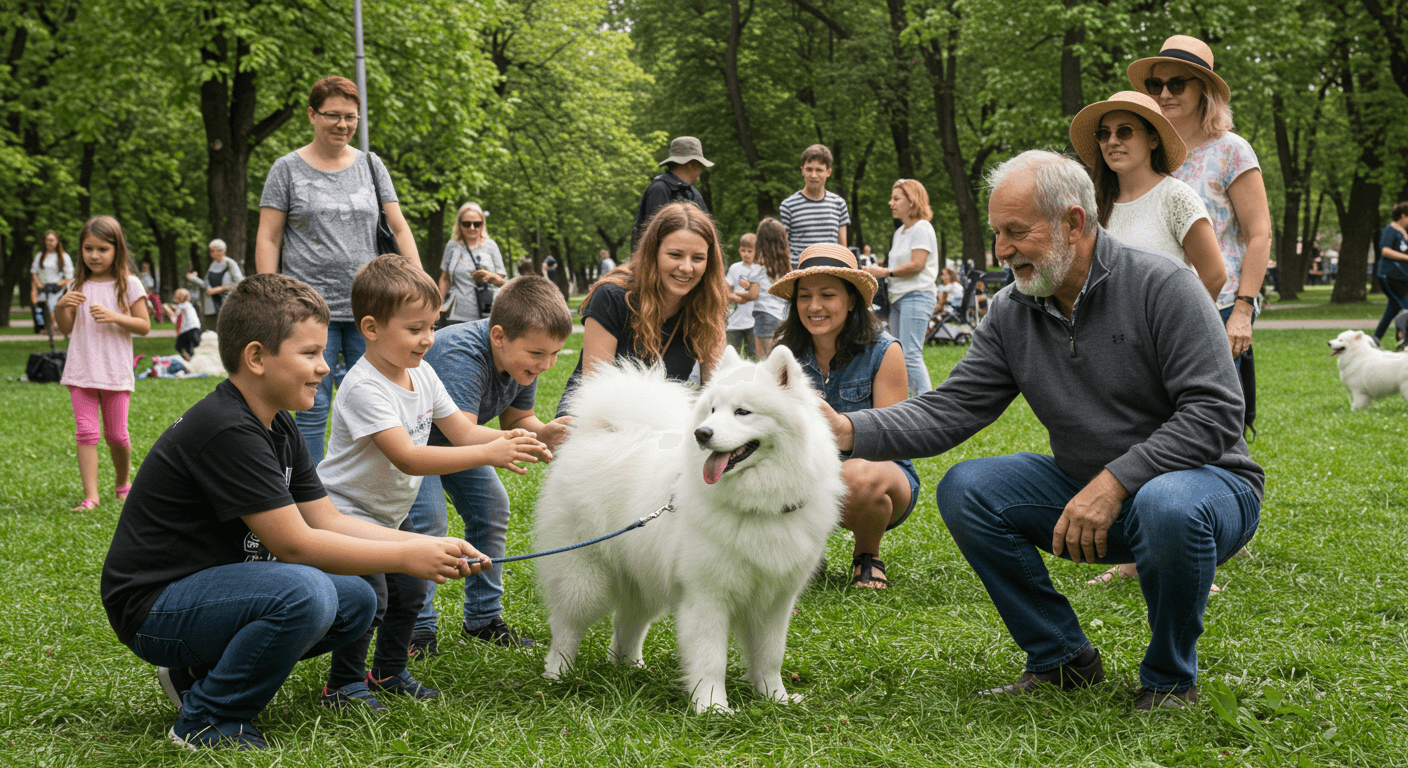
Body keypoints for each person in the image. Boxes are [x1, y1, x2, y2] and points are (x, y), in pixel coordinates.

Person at [823, 151, 1262, 710]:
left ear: (1074, 223)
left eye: (1016, 232)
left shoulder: (1163, 285)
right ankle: (1060, 659)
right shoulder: (1012, 310)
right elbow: (952, 408)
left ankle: (1170, 677)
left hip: (1207, 488)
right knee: (968, 489)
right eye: (996, 233)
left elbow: (1216, 412)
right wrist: (846, 429)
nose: (1001, 250)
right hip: (1091, 493)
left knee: (1166, 504)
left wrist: (1115, 481)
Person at [99, 273, 489, 751]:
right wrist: (406, 559)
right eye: (309, 353)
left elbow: (328, 520)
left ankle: (196, 675)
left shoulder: (278, 427)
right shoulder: (228, 430)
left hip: (213, 593)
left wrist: (424, 545)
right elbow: (297, 545)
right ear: (257, 357)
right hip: (153, 607)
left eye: (323, 353)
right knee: (306, 590)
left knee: (356, 600)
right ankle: (207, 719)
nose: (325, 367)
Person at [316, 255, 547, 711]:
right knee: (373, 594)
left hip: (390, 514)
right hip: (346, 515)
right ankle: (342, 684)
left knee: (411, 589)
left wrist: (510, 437)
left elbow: (463, 431)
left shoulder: (421, 373)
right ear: (371, 327)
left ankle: (388, 670)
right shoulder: (364, 388)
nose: (428, 339)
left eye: (432, 326)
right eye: (415, 328)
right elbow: (409, 456)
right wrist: (489, 453)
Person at [405, 275, 575, 656]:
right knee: (430, 525)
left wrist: (543, 433)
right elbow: (463, 433)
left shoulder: (524, 360)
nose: (546, 364)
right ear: (499, 336)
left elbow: (516, 422)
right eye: (537, 354)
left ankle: (483, 618)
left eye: (554, 354)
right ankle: (417, 629)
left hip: (458, 441)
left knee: (492, 507)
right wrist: (516, 443)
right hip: (415, 444)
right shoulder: (462, 353)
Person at [255, 75, 420, 464]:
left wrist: (420, 284)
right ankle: (309, 496)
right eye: (332, 115)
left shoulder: (371, 165)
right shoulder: (286, 169)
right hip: (309, 312)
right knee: (310, 408)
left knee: (384, 399)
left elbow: (398, 227)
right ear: (313, 115)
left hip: (374, 308)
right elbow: (269, 237)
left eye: (351, 117)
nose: (342, 125)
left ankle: (377, 484)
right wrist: (269, 295)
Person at [770, 244, 918, 589]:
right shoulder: (784, 352)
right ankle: (802, 555)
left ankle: (867, 555)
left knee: (857, 475)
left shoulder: (885, 351)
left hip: (876, 475)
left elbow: (890, 439)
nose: (814, 306)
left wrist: (839, 429)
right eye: (804, 296)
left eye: (827, 295)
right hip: (800, 475)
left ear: (851, 300)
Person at [1128, 35, 1271, 365]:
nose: (1164, 94)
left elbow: (1260, 234)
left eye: (1176, 84)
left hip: (1217, 306)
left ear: (1203, 88)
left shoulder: (1231, 151)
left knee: (1210, 411)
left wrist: (1242, 309)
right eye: (1155, 84)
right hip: (1153, 308)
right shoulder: (1147, 151)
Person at [556, 202, 728, 417]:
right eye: (675, 255)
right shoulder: (611, 297)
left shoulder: (709, 305)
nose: (686, 267)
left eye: (698, 258)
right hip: (596, 423)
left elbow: (715, 392)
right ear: (653, 253)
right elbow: (595, 393)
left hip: (661, 425)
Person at [1069, 91, 1226, 301]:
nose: (1112, 141)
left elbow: (1214, 276)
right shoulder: (1091, 204)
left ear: (1153, 139)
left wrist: (1177, 324)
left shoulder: (1176, 197)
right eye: (1104, 134)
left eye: (1124, 132)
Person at [53, 216, 151, 511]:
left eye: (102, 249)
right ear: (80, 250)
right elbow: (67, 328)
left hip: (114, 371)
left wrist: (115, 316)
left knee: (117, 434)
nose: (94, 255)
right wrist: (60, 306)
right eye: (88, 248)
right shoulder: (76, 284)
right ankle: (91, 496)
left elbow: (144, 326)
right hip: (81, 370)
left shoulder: (129, 284)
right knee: (86, 432)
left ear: (116, 249)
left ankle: (123, 484)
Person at [864, 179, 939, 396]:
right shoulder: (900, 233)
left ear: (912, 201)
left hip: (917, 295)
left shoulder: (922, 228)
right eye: (891, 198)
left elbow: (917, 264)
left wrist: (884, 272)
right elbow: (897, 265)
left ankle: (928, 408)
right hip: (897, 297)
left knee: (910, 355)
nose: (891, 203)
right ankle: (904, 405)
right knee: (897, 354)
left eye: (896, 199)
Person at [779, 144, 850, 267]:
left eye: (819, 170)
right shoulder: (788, 206)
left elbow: (843, 249)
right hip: (799, 276)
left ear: (828, 172)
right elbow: (783, 250)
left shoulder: (839, 204)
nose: (813, 175)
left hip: (830, 274)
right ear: (802, 170)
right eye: (809, 169)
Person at [632, 136, 711, 246]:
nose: (701, 169)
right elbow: (654, 238)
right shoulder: (659, 189)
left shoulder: (695, 194)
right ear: (691, 163)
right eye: (700, 164)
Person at [438, 202, 506, 324]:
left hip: (486, 313)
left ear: (482, 224)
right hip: (455, 314)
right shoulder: (452, 246)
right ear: (459, 224)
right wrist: (438, 305)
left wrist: (490, 277)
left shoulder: (491, 245)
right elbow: (445, 278)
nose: (472, 228)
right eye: (466, 224)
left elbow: (502, 280)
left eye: (477, 224)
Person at [750, 217, 791, 358]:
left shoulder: (757, 271)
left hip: (764, 318)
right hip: (785, 319)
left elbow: (752, 295)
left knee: (765, 363)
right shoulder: (788, 271)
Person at [1372, 202, 1408, 344]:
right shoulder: (1390, 230)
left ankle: (1375, 339)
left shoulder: (1403, 232)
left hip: (1402, 277)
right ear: (1403, 215)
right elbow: (1385, 250)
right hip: (1390, 276)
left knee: (1393, 309)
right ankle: (1403, 339)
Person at [725, 232, 763, 359]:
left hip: (754, 323)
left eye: (749, 251)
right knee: (732, 357)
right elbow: (725, 291)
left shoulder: (761, 269)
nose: (745, 254)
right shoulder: (734, 268)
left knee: (753, 357)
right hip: (734, 322)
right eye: (743, 250)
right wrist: (735, 298)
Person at [187, 239, 245, 318]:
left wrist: (219, 289)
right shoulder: (213, 264)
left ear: (222, 251)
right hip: (213, 307)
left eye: (213, 251)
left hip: (228, 304)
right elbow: (206, 284)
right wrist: (194, 278)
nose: (211, 253)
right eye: (211, 251)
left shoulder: (230, 263)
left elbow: (240, 283)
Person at [30, 230, 74, 332]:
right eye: (47, 240)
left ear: (57, 242)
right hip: (42, 287)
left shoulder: (63, 256)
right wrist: (38, 285)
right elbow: (34, 272)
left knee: (52, 308)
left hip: (56, 288)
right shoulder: (40, 255)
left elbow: (69, 277)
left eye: (51, 240)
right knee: (40, 309)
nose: (49, 242)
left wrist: (57, 285)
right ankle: (44, 329)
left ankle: (52, 328)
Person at [171, 288, 203, 360]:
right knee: (193, 347)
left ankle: (188, 358)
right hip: (196, 329)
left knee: (179, 346)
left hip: (188, 330)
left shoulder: (181, 306)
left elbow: (175, 318)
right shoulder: (189, 305)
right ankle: (193, 359)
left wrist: (168, 310)